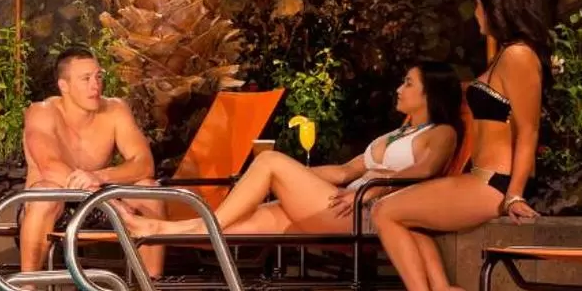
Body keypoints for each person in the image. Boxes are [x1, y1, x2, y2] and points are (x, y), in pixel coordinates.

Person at [375, 0, 549, 291]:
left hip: (494, 184)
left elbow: (528, 130)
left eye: (480, 5)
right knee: (405, 214)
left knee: (384, 212)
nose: (475, 13)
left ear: (499, 7)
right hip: (478, 177)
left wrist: (515, 195)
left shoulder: (519, 56)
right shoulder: (504, 55)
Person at [123, 62, 463, 239]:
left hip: (366, 213)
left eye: (408, 83)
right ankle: (161, 231)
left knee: (269, 160)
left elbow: (426, 172)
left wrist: (373, 191)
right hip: (344, 201)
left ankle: (166, 230)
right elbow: (345, 172)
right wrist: (294, 178)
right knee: (247, 222)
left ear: (431, 93)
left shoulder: (441, 132)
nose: (399, 88)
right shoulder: (398, 132)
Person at [15, 48, 157, 291]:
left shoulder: (115, 109)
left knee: (149, 188)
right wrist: (102, 194)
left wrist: (100, 178)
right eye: (85, 79)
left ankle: (153, 289)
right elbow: (50, 166)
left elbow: (143, 163)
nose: (95, 85)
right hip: (56, 207)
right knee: (46, 192)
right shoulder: (42, 112)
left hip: (99, 202)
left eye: (98, 76)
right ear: (64, 86)